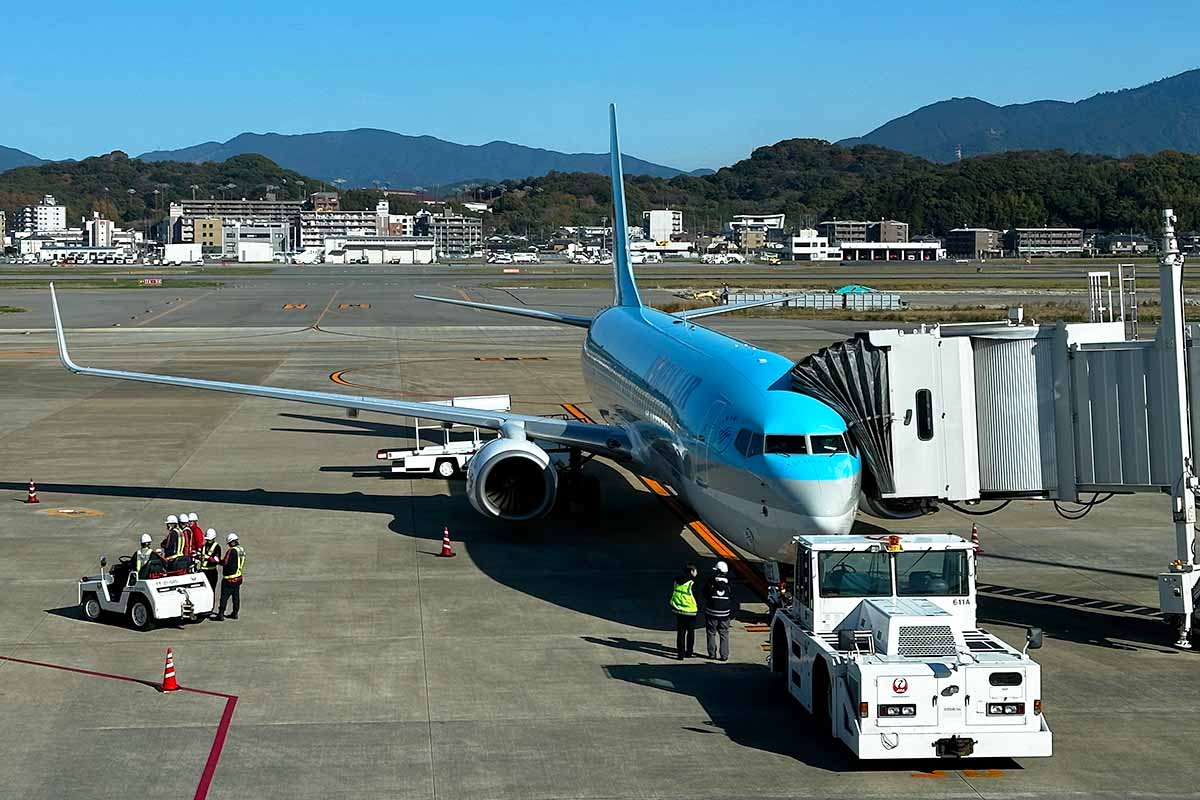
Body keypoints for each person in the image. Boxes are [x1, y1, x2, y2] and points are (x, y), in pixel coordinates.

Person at [703, 561, 736, 662]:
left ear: (717, 571)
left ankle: (712, 654)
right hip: (725, 613)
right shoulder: (729, 584)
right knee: (724, 634)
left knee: (711, 633)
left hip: (711, 612)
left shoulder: (710, 582)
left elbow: (704, 594)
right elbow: (732, 596)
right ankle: (724, 655)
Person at [669, 563, 698, 660]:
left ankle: (680, 654)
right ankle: (689, 652)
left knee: (681, 633)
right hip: (690, 611)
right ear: (691, 572)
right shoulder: (692, 583)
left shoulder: (676, 581)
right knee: (690, 632)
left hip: (678, 610)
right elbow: (696, 596)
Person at [213, 532, 245, 621]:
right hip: (238, 577)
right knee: (236, 596)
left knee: (224, 597)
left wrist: (217, 561)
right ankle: (235, 613)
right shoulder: (241, 550)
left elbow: (226, 562)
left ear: (231, 542)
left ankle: (221, 614)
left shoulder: (231, 551)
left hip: (229, 578)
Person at [199, 528, 222, 594]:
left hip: (211, 572)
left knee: (211, 592)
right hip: (203, 571)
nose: (208, 541)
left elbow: (216, 560)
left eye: (209, 539)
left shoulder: (217, 547)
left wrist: (208, 558)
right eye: (207, 539)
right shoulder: (204, 546)